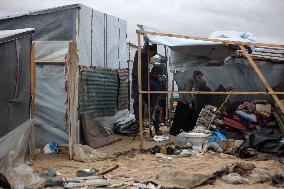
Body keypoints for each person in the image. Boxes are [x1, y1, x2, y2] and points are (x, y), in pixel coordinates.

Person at [131, 42, 162, 135]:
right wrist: (148, 39)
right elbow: (145, 48)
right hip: (138, 81)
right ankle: (138, 121)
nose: (151, 56)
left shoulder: (147, 57)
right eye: (151, 54)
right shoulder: (140, 53)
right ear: (148, 50)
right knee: (138, 102)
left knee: (155, 89)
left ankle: (156, 126)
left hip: (145, 81)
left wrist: (153, 104)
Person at [169, 70, 205, 136]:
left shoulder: (195, 82)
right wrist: (189, 102)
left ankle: (187, 130)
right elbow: (186, 92)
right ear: (195, 76)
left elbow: (192, 93)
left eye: (200, 78)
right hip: (183, 102)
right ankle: (174, 132)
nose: (199, 79)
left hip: (189, 102)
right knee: (179, 118)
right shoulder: (190, 81)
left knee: (191, 116)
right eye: (199, 77)